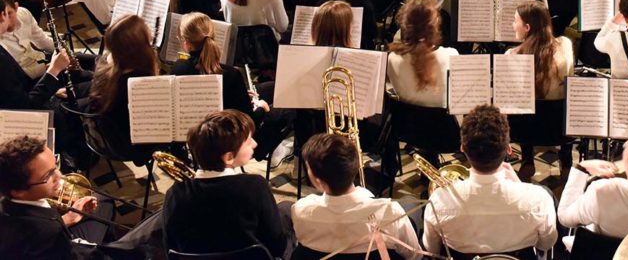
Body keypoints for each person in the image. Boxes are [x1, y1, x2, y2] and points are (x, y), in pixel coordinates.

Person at [422, 104, 557, 256]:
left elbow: (431, 249)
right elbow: (546, 244)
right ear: (509, 149)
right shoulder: (538, 199)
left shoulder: (438, 200)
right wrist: (520, 187)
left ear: (462, 148)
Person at [162, 110, 287, 256]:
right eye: (248, 141)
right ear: (228, 157)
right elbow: (277, 245)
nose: (255, 143)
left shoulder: (175, 193)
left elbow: (169, 246)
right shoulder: (255, 186)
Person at [288, 132, 421, 258]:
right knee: (410, 201)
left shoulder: (300, 209)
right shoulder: (390, 210)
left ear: (318, 182)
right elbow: (414, 255)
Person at [0, 136, 111, 258]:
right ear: (18, 191)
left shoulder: (7, 203)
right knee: (105, 202)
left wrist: (69, 218)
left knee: (101, 198)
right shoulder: (47, 232)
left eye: (56, 164)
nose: (60, 176)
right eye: (48, 175)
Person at [507, 0, 573, 178]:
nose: (513, 25)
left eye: (515, 21)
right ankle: (566, 160)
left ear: (527, 27)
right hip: (560, 129)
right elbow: (569, 79)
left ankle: (527, 160)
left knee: (518, 106)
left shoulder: (511, 55)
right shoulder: (565, 45)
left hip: (524, 131)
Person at [87, 15, 161, 160]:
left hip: (105, 139)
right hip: (129, 146)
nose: (151, 37)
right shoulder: (141, 82)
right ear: (138, 47)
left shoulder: (105, 70)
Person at [172, 12, 268, 117]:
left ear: (186, 43)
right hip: (225, 132)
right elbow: (248, 123)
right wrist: (262, 108)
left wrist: (241, 96)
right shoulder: (232, 75)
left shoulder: (178, 68)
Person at [387, 0, 458, 108]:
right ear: (435, 26)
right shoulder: (451, 56)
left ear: (404, 25)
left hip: (405, 124)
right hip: (443, 125)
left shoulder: (392, 58)